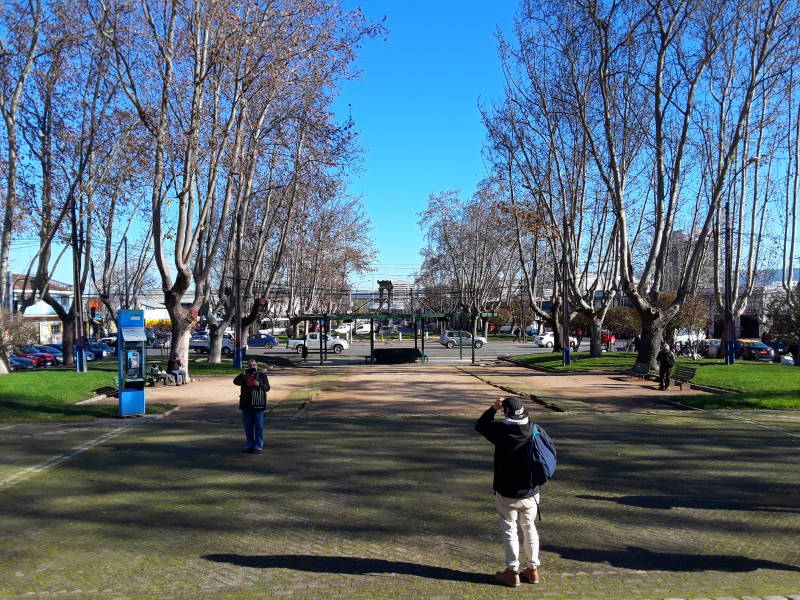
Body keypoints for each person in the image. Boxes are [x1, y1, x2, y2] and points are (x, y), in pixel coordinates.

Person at [475, 396, 541, 587]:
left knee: (509, 529)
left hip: (506, 491)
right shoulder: (533, 428)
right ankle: (533, 569)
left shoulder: (500, 431)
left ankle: (512, 572)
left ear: (506, 413)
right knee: (529, 527)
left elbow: (480, 426)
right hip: (530, 490)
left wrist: (492, 409)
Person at [233, 359, 270, 453]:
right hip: (246, 404)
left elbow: (267, 388)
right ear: (248, 366)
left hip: (258, 404)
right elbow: (235, 382)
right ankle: (250, 445)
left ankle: (258, 446)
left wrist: (260, 384)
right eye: (250, 365)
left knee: (259, 426)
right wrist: (242, 374)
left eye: (253, 365)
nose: (252, 367)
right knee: (248, 426)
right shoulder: (245, 376)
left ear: (256, 365)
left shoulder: (262, 375)